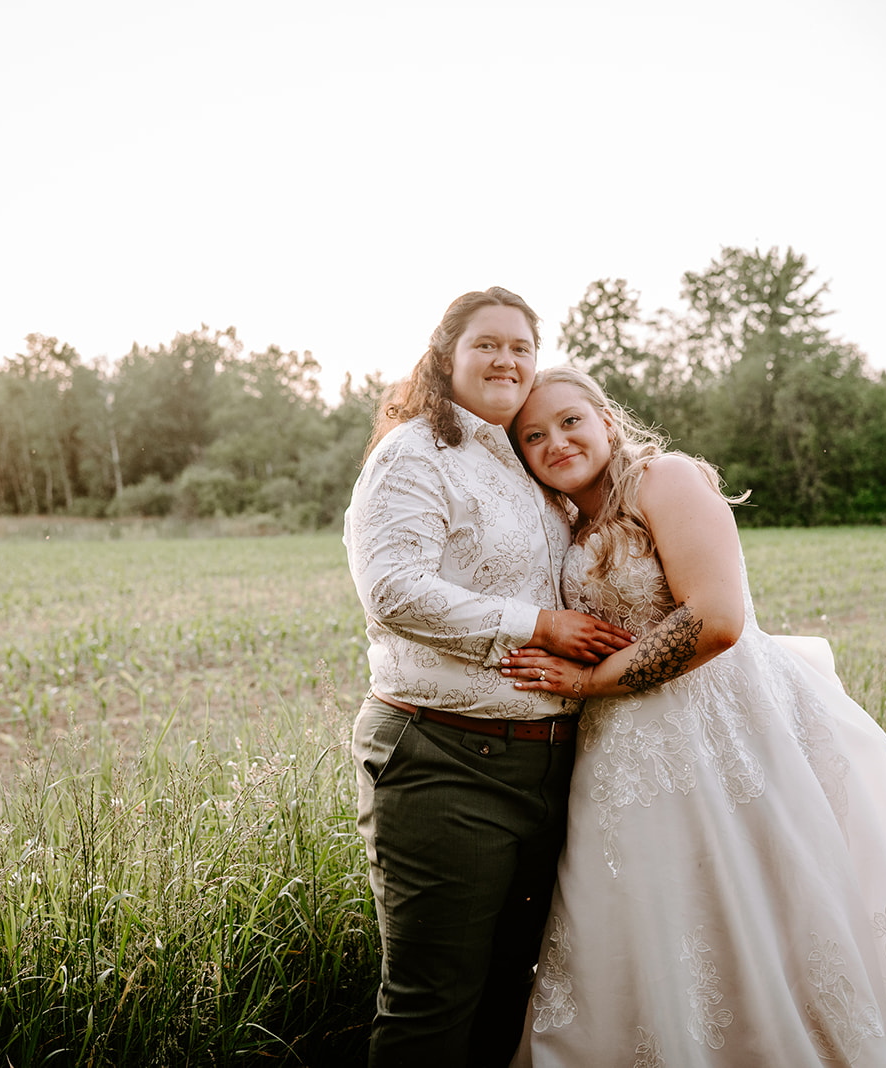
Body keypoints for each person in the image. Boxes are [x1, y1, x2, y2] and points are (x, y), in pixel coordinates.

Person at [499, 365, 886, 1067]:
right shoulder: (566, 519)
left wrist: (589, 681)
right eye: (533, 436)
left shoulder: (666, 479)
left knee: (759, 905)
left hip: (722, 727)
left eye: (569, 421)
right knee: (633, 918)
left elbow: (716, 620)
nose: (555, 441)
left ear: (607, 422)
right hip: (621, 751)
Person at [343, 290, 634, 1067]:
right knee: (431, 1007)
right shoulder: (414, 454)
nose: (507, 360)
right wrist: (536, 626)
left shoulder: (530, 461)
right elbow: (394, 590)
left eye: (521, 347)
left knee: (516, 989)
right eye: (487, 344)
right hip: (444, 760)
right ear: (446, 356)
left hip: (548, 763)